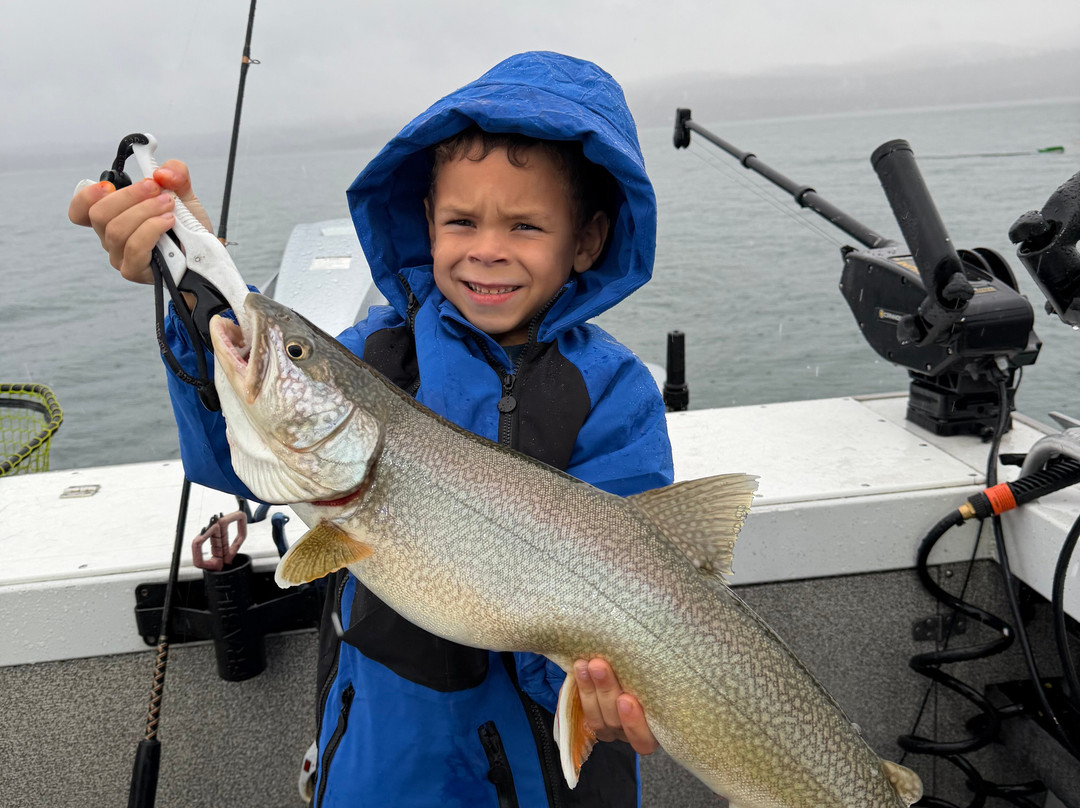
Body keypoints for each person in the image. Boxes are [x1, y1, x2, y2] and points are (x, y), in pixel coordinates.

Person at [70, 51, 674, 807]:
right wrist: (194, 287)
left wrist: (605, 691)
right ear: (426, 222)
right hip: (377, 764)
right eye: (462, 220)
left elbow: (643, 573)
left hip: (544, 778)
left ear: (585, 241)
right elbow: (241, 449)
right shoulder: (369, 358)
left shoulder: (613, 393)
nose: (487, 247)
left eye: (524, 225)